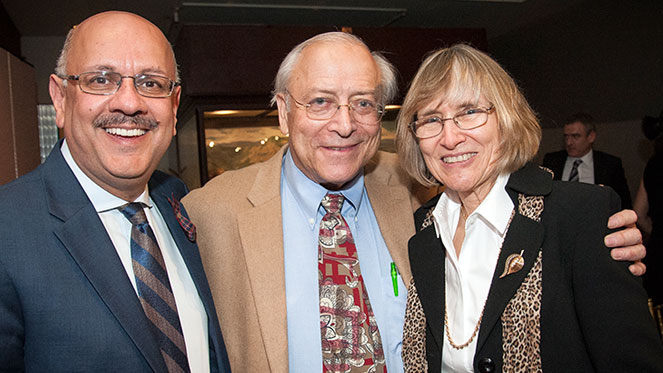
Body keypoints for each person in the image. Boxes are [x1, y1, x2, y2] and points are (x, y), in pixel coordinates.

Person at [183, 32, 646, 372]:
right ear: (284, 111)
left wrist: (589, 223)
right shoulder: (211, 212)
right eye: (321, 102)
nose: (344, 124)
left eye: (363, 104)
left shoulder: (409, 192)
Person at [397, 44, 663, 372]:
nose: (450, 137)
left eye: (469, 112)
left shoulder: (579, 216)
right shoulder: (423, 229)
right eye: (432, 119)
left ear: (506, 120)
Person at [0, 11, 230, 372]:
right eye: (101, 79)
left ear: (173, 106)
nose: (129, 103)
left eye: (151, 83)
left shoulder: (177, 201)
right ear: (60, 99)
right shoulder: (8, 230)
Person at [542, 112, 632, 208]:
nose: (569, 142)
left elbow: (623, 203)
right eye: (566, 136)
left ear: (591, 137)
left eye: (575, 136)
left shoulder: (610, 165)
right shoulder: (552, 161)